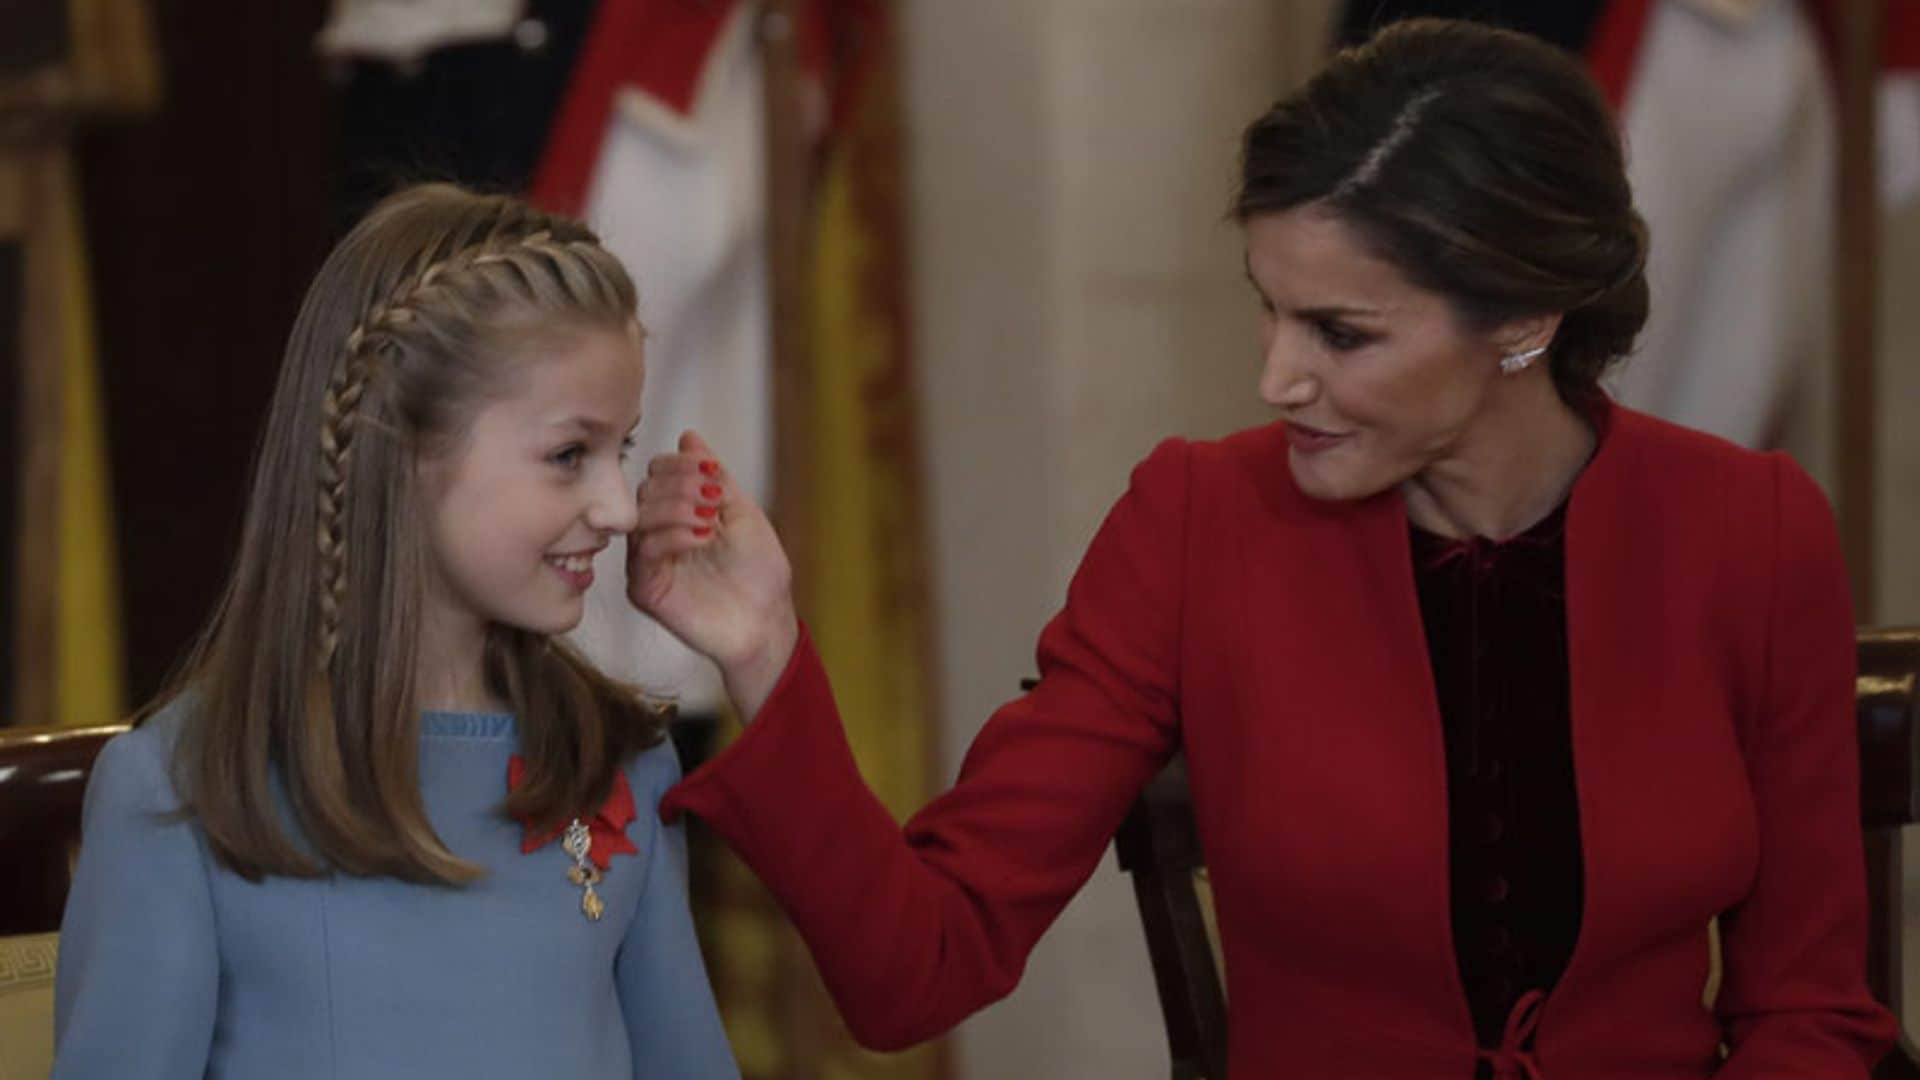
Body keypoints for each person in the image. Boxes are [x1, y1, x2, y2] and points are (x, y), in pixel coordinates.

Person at [627, 18, 1897, 1078]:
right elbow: (920, 968)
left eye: (1341, 332)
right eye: (1270, 310)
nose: (1276, 376)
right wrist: (762, 655)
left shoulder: (1751, 529)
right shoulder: (1197, 526)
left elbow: (1810, 1014)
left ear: (1521, 318)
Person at [51, 184, 739, 1080]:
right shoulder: (186, 793)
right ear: (398, 448)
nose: (617, 506)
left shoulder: (622, 764)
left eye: (623, 449)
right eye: (570, 454)